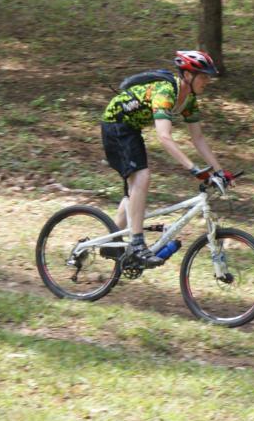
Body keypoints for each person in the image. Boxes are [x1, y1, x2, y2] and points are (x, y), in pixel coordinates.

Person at [100, 49, 234, 267]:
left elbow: (198, 138)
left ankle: (111, 242)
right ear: (188, 76)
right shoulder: (166, 91)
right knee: (142, 177)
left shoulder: (189, 99)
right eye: (203, 76)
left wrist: (219, 171)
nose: (207, 81)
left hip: (131, 130)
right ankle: (136, 244)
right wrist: (193, 168)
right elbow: (164, 137)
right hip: (116, 125)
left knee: (135, 192)